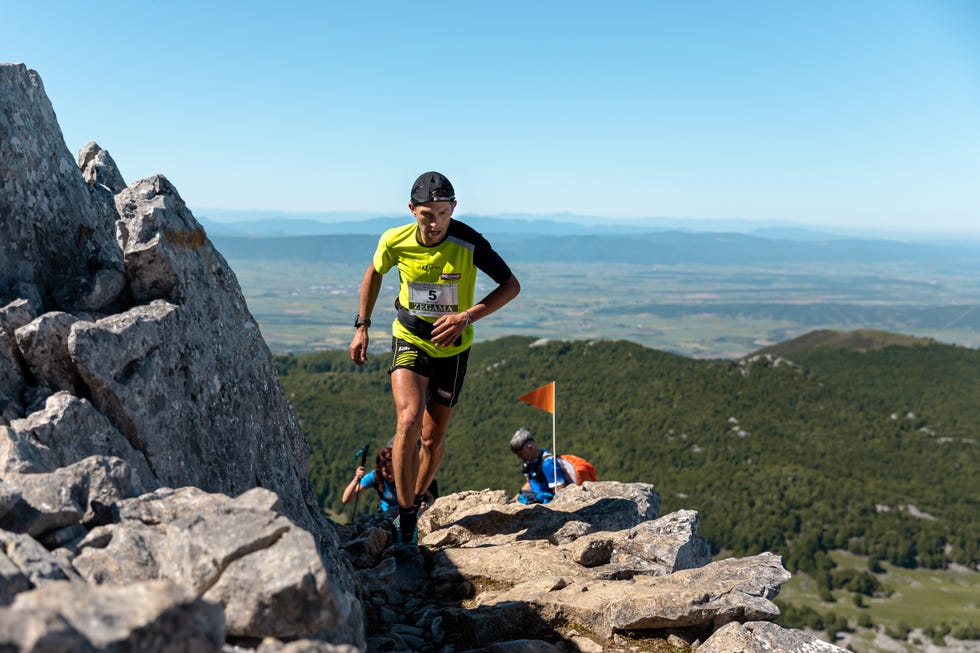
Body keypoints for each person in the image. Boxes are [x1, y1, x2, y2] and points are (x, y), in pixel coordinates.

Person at [349, 171, 520, 554]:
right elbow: (374, 273)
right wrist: (362, 325)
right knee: (408, 420)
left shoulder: (469, 242)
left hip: (455, 349)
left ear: (453, 209)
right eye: (427, 213)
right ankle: (406, 514)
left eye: (443, 212)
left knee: (433, 437)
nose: (435, 221)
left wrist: (467, 316)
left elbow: (511, 286)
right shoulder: (395, 240)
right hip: (410, 336)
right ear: (412, 210)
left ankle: (418, 497)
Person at [510, 427, 572, 504]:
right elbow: (530, 484)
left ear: (530, 447)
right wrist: (513, 501)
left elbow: (559, 492)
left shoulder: (548, 464)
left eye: (521, 453)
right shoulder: (529, 463)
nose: (519, 457)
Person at [342, 446, 398, 512]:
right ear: (379, 470)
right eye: (387, 471)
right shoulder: (375, 476)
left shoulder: (407, 475)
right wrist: (356, 478)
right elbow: (346, 499)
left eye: (394, 470)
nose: (391, 475)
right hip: (386, 514)